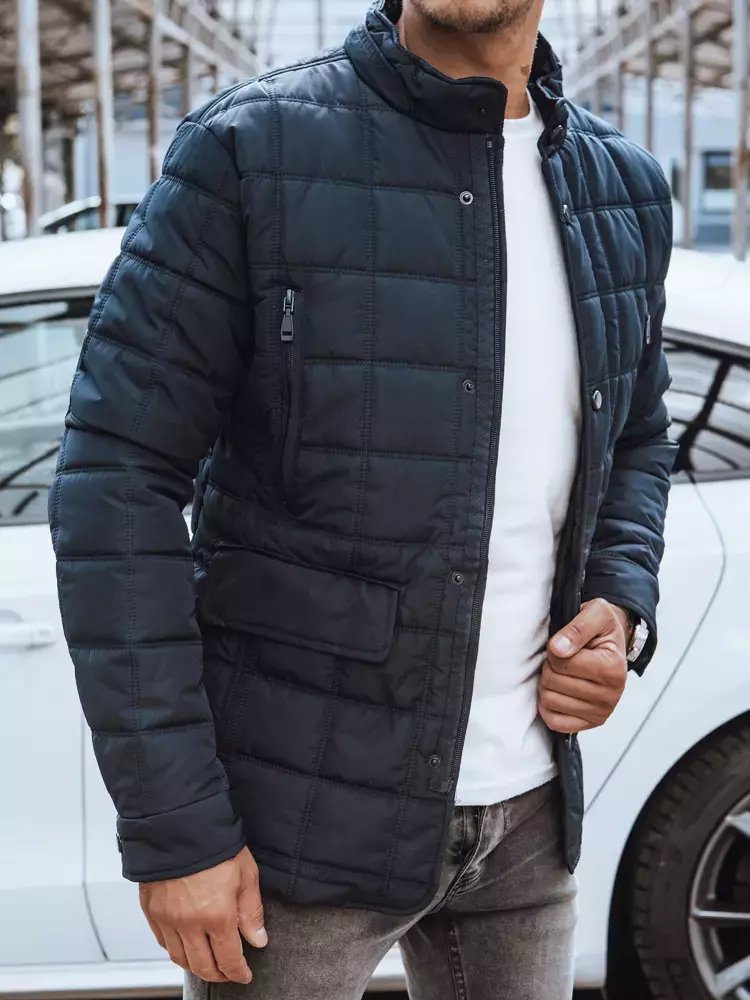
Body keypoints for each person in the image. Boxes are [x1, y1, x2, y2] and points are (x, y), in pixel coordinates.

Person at [49, 0, 675, 997]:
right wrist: (177, 828)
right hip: (295, 833)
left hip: (527, 826)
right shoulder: (253, 150)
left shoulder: (623, 191)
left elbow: (638, 434)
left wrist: (618, 599)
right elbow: (116, 479)